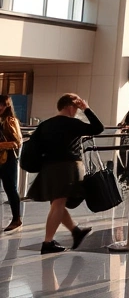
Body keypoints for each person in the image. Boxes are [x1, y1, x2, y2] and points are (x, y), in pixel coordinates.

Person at [26, 94, 104, 254]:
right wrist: (86, 109)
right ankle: (48, 243)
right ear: (70, 107)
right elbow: (98, 128)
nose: (76, 111)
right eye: (76, 108)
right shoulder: (72, 124)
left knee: (56, 204)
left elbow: (35, 147)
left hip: (49, 168)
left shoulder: (45, 125)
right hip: (66, 168)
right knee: (59, 205)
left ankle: (76, 231)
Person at [0, 95, 23, 232]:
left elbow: (17, 142)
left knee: (10, 189)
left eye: (2, 105)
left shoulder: (10, 121)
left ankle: (16, 219)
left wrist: (1, 145)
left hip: (7, 160)